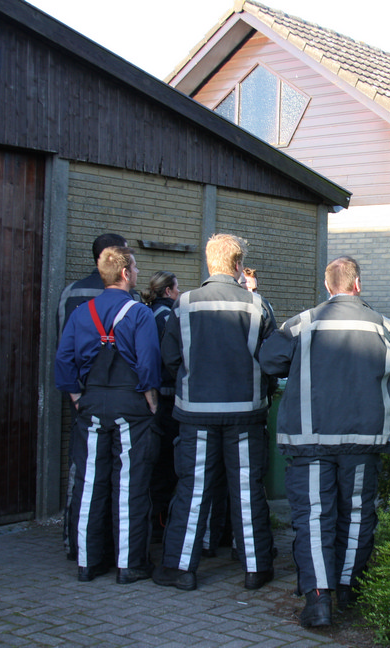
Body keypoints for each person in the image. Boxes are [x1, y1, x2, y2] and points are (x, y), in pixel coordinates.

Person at [260, 256, 390, 627]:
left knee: (314, 517)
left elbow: (269, 361)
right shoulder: (384, 326)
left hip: (311, 440)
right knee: (358, 514)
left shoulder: (302, 323)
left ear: (328, 287)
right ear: (357, 285)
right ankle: (348, 590)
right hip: (364, 439)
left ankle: (318, 600)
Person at [153, 234, 277, 592]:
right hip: (246, 414)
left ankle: (180, 569)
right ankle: (256, 569)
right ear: (238, 265)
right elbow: (272, 361)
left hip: (196, 413)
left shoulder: (184, 304)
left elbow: (170, 359)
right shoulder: (258, 305)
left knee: (193, 489)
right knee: (248, 490)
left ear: (210, 263)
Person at [55, 246, 161, 584]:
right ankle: (129, 565)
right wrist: (151, 400)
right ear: (126, 273)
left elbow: (64, 360)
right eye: (136, 267)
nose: (138, 272)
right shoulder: (140, 313)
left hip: (90, 404)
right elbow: (148, 362)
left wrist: (76, 397)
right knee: (130, 484)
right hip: (130, 405)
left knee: (89, 483)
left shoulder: (81, 312)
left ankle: (88, 562)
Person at [57, 232, 138, 561]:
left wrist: (75, 393)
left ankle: (78, 546)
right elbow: (144, 355)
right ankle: (119, 552)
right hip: (125, 399)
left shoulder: (72, 294)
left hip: (86, 397)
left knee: (85, 474)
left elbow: (64, 349)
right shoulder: (133, 302)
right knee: (123, 477)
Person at [142, 271, 181, 537]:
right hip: (166, 400)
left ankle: (156, 522)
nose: (179, 293)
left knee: (156, 463)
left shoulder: (148, 312)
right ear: (168, 291)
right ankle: (160, 524)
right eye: (177, 289)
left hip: (152, 399)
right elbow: (174, 357)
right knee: (166, 465)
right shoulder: (167, 316)